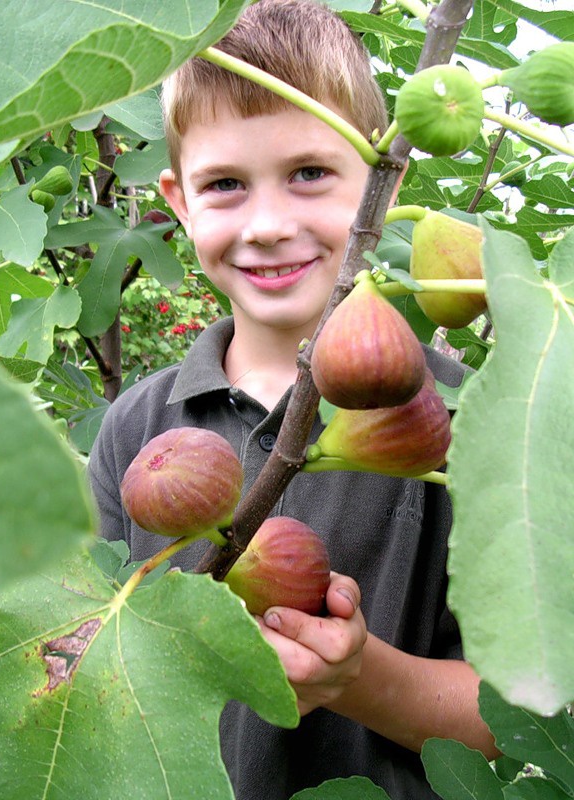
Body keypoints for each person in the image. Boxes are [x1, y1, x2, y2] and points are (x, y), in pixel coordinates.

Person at [88, 1, 499, 797]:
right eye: (225, 184)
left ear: (384, 178)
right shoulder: (135, 425)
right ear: (178, 200)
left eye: (309, 173)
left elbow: (514, 720)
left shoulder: (461, 421)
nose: (270, 224)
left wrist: (357, 676)